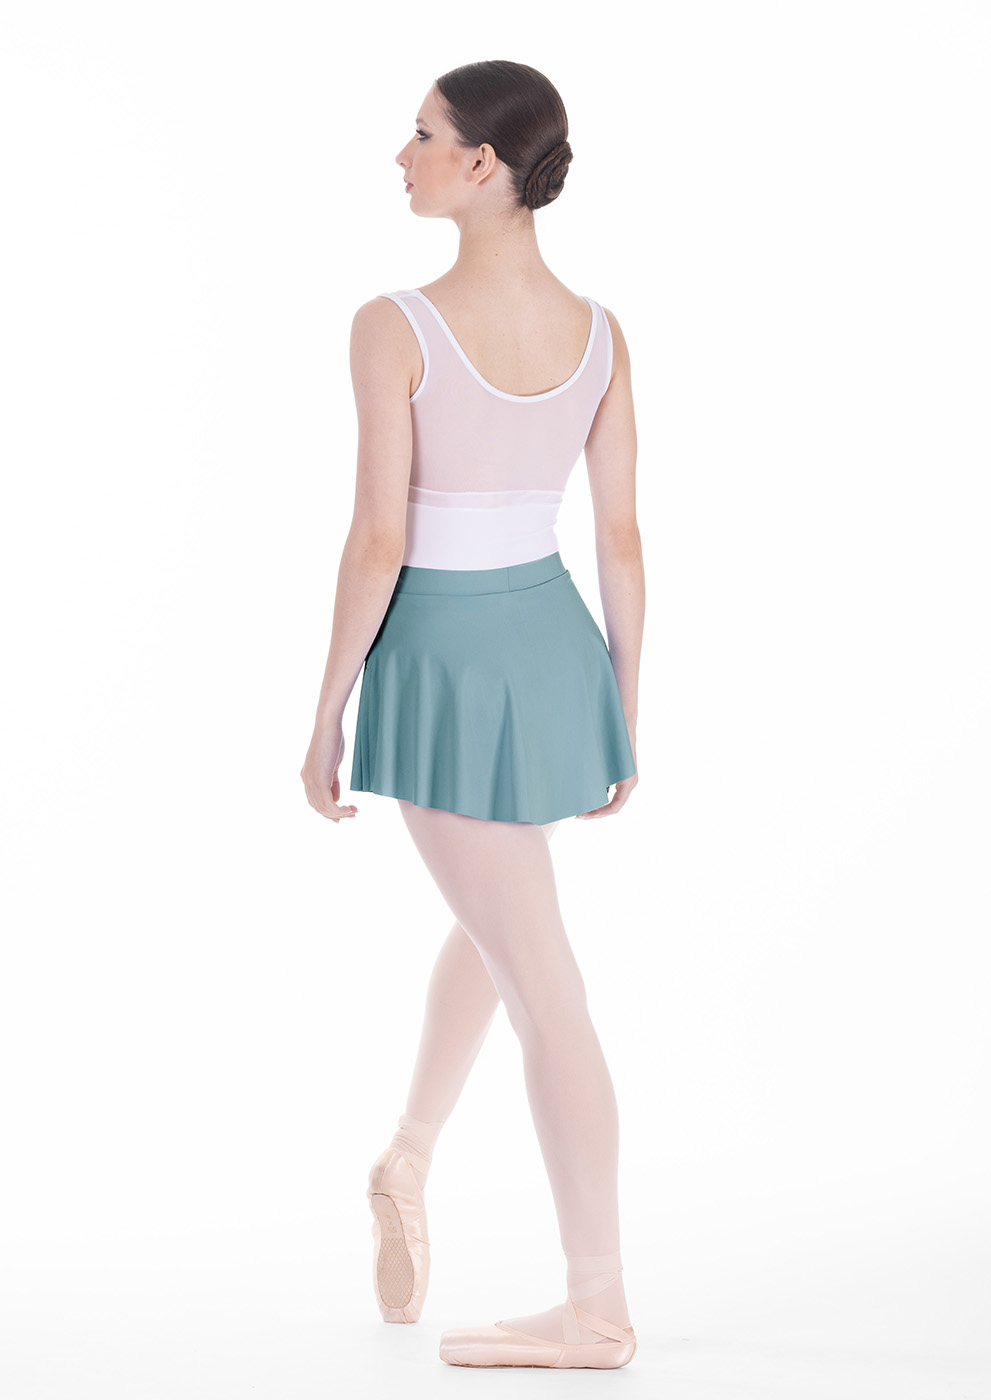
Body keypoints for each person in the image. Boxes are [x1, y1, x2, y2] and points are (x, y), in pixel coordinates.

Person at [300, 58, 644, 1370]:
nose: (403, 155)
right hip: (553, 648)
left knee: (543, 978)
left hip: (446, 656)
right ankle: (409, 1155)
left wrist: (326, 710)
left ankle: (596, 1310)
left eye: (424, 134)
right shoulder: (601, 332)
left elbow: (378, 538)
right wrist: (623, 701)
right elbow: (620, 537)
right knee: (507, 920)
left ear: (483, 163)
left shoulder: (393, 324)